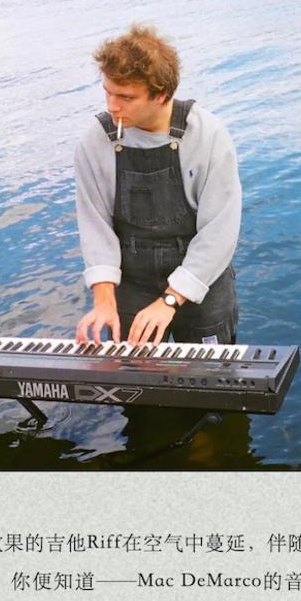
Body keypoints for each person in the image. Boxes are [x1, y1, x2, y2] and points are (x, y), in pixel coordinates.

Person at [74, 20, 241, 358]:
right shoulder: (95, 140)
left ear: (161, 94)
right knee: (137, 381)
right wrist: (103, 299)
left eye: (126, 97)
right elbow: (95, 226)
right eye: (107, 92)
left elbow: (219, 232)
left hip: (201, 278)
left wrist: (170, 300)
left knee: (211, 381)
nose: (112, 106)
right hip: (131, 282)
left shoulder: (208, 135)